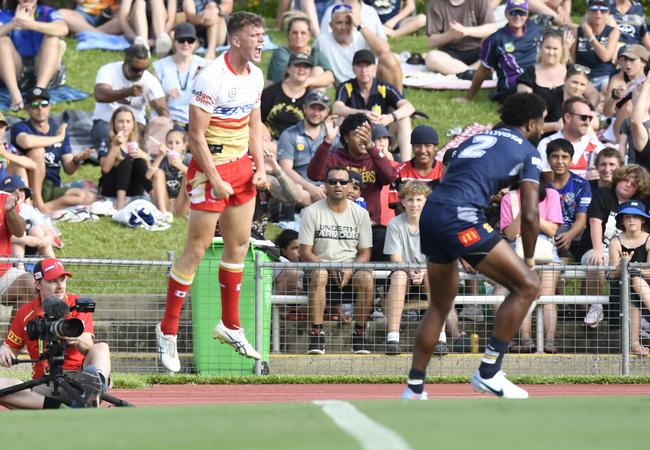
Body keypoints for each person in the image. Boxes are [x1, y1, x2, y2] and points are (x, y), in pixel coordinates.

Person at [401, 93, 546, 400]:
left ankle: (414, 389)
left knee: (440, 305)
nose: (543, 127)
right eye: (543, 121)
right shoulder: (529, 151)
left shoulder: (475, 139)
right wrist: (529, 259)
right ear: (532, 123)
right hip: (462, 218)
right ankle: (489, 371)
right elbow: (531, 214)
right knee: (529, 285)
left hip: (432, 212)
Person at [155, 12, 268, 373]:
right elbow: (195, 136)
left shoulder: (257, 75)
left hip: (241, 168)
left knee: (239, 245)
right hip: (211, 167)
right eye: (255, 35)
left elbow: (254, 124)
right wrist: (215, 177)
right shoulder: (211, 76)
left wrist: (261, 166)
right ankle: (167, 329)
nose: (262, 41)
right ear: (236, 40)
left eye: (263, 35)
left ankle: (231, 325)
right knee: (197, 248)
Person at [0, 258, 111, 409]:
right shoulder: (25, 313)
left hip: (79, 379)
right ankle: (62, 408)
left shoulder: (77, 304)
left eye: (63, 279)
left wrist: (76, 337)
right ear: (38, 284)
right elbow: (10, 348)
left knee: (101, 348)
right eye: (52, 281)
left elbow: (88, 346)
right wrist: (5, 350)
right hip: (44, 384)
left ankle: (94, 391)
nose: (60, 286)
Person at [299, 166, 374, 354]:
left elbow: (365, 253)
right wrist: (328, 266)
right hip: (321, 268)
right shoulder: (311, 212)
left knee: (366, 278)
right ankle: (316, 335)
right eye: (333, 182)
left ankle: (359, 335)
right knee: (319, 274)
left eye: (343, 182)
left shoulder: (361, 214)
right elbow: (305, 252)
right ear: (325, 186)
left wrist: (350, 268)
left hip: (350, 270)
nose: (338, 185)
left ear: (350, 186)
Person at [576, 164, 650, 327]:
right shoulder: (604, 194)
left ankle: (640, 318)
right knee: (597, 260)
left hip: (624, 254)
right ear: (618, 179)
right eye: (625, 180)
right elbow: (595, 221)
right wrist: (597, 249)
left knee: (634, 272)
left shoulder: (638, 203)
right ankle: (596, 307)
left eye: (634, 184)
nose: (628, 185)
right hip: (595, 247)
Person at [500, 182, 562, 353]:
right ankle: (526, 339)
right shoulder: (509, 198)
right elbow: (510, 234)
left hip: (547, 251)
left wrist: (531, 211)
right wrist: (523, 212)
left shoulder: (551, 194)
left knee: (548, 297)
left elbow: (551, 230)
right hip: (518, 252)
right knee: (523, 294)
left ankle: (549, 341)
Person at [11, 87, 96, 214]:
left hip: (51, 185)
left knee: (89, 197)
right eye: (34, 105)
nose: (40, 108)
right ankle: (37, 202)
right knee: (38, 151)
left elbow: (69, 169)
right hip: (29, 184)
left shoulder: (57, 128)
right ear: (27, 108)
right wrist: (58, 138)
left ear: (50, 106)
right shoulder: (20, 127)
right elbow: (27, 141)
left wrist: (78, 159)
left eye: (44, 104)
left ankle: (41, 208)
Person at [307, 112, 397, 225]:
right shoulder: (336, 159)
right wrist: (328, 141)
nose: (364, 139)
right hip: (337, 223)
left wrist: (371, 147)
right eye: (359, 135)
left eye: (367, 134)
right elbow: (313, 174)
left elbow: (390, 177)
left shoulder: (375, 159)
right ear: (346, 138)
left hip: (370, 225)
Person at [333, 49, 415, 161]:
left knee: (404, 119)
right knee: (339, 119)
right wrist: (363, 113)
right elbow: (336, 107)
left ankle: (406, 164)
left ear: (375, 68)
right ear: (353, 69)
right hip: (357, 136)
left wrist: (390, 117)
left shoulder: (384, 87)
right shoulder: (346, 86)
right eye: (359, 66)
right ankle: (340, 155)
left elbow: (409, 107)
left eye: (367, 65)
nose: (364, 70)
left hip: (384, 136)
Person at [454, 0, 542, 103]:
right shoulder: (495, 40)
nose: (517, 16)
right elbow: (482, 72)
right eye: (513, 12)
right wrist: (468, 97)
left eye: (521, 12)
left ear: (527, 14)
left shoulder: (536, 30)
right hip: (511, 88)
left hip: (536, 79)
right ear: (506, 14)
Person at [91, 44, 170, 151]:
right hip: (107, 120)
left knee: (145, 143)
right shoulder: (109, 70)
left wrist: (157, 107)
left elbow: (164, 114)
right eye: (136, 69)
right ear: (126, 62)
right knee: (108, 139)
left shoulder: (149, 80)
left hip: (136, 124)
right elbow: (100, 95)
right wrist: (127, 92)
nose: (140, 74)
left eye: (144, 69)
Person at [384, 182, 431, 355]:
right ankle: (393, 338)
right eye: (410, 199)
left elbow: (435, 255)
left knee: (434, 275)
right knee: (399, 277)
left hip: (427, 269)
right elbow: (395, 257)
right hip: (404, 269)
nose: (414, 204)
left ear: (426, 201)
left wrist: (424, 271)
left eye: (419, 199)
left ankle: (440, 337)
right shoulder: (394, 224)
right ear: (402, 202)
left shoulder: (433, 223)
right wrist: (411, 270)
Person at [314, 4, 403, 92]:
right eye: (339, 23)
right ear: (331, 25)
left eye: (348, 23)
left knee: (389, 58)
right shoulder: (322, 41)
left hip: (371, 84)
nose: (343, 27)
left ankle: (398, 101)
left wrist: (360, 26)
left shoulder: (362, 36)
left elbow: (385, 50)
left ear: (353, 24)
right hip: (346, 90)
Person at [0, 0, 68, 111]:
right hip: (16, 72)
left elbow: (63, 29)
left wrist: (32, 25)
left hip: (43, 69)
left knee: (53, 38)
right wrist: (14, 23)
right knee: (2, 41)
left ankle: (39, 93)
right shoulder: (5, 14)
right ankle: (15, 95)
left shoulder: (47, 12)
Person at [609, 200, 650, 355]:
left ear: (643, 220)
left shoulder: (649, 239)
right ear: (622, 221)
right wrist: (622, 265)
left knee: (634, 280)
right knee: (632, 285)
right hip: (621, 284)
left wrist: (632, 267)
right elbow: (613, 274)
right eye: (627, 217)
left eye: (636, 216)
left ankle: (634, 344)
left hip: (645, 284)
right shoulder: (616, 242)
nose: (631, 220)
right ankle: (634, 344)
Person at [277, 90, 329, 207]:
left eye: (321, 109)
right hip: (300, 186)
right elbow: (286, 169)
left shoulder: (332, 135)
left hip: (326, 186)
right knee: (297, 192)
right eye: (313, 108)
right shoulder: (289, 134)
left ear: (327, 112)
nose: (316, 113)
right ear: (304, 108)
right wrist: (311, 188)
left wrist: (326, 187)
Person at [152, 22, 208, 130]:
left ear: (196, 43)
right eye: (181, 40)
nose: (186, 44)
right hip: (170, 120)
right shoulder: (160, 66)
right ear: (174, 42)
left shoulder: (205, 66)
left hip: (197, 122)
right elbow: (150, 97)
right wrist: (166, 95)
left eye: (190, 40)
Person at [516, 28, 572, 135]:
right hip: (535, 132)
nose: (551, 52)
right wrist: (555, 126)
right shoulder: (529, 74)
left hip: (567, 132)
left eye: (555, 48)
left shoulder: (570, 71)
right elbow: (525, 110)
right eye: (548, 47)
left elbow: (592, 96)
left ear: (562, 50)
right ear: (541, 48)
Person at [424, 0, 497, 78]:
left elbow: (492, 28)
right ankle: (474, 73)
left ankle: (468, 73)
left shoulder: (480, 1)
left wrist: (466, 31)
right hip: (449, 55)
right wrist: (450, 35)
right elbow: (431, 42)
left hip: (478, 51)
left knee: (498, 51)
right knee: (431, 57)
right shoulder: (434, 4)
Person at [537, 97, 604, 180]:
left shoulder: (597, 146)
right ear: (567, 117)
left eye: (590, 118)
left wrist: (600, 176)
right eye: (583, 118)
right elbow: (542, 179)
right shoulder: (546, 144)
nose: (587, 122)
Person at [546, 139, 591, 260]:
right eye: (555, 156)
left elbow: (582, 219)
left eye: (564, 157)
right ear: (548, 159)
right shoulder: (540, 183)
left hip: (574, 236)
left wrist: (569, 236)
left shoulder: (581, 184)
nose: (560, 161)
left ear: (571, 160)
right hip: (546, 234)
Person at [267, 13, 335, 88]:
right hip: (283, 93)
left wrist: (308, 82)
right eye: (294, 33)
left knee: (318, 70)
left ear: (309, 36)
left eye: (303, 33)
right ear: (288, 35)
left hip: (307, 91)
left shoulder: (315, 52)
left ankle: (316, 98)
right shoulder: (281, 53)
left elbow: (330, 77)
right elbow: (286, 78)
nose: (299, 36)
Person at [1, 174, 55, 259]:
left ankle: (54, 264)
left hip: (33, 246)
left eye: (22, 190)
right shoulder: (2, 208)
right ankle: (20, 267)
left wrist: (46, 239)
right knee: (20, 239)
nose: (18, 193)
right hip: (11, 249)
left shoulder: (27, 208)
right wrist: (26, 239)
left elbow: (46, 229)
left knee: (37, 230)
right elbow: (4, 236)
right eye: (13, 190)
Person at [570, 0, 620, 91]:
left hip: (604, 75)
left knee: (609, 90)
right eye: (594, 9)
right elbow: (573, 60)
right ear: (588, 12)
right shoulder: (576, 32)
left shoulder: (613, 32)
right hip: (583, 76)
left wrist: (590, 37)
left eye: (603, 10)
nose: (598, 13)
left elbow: (606, 57)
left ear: (608, 13)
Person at [0, 182, 34, 312]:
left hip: (2, 273)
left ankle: (14, 333)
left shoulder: (5, 198)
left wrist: (10, 211)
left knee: (32, 284)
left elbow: (19, 232)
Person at [261, 52, 311, 141]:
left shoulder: (311, 98)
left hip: (299, 146)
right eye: (297, 65)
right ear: (288, 69)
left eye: (306, 66)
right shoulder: (271, 92)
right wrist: (261, 127)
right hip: (270, 143)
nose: (302, 69)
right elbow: (255, 117)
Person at [147, 128, 191, 217]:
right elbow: (148, 176)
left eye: (177, 143)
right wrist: (160, 156)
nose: (173, 146)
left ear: (184, 146)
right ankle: (163, 214)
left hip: (181, 204)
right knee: (158, 172)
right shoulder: (163, 159)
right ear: (165, 144)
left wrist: (179, 165)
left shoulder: (188, 159)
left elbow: (197, 177)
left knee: (188, 174)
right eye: (170, 143)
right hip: (165, 203)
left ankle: (190, 212)